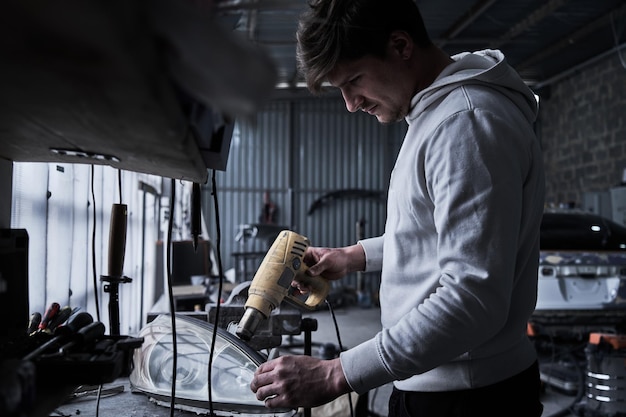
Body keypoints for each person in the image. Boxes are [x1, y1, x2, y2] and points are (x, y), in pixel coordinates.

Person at [250, 0, 546, 415]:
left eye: (354, 80)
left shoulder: (466, 123)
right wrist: (353, 257)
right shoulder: (435, 114)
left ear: (401, 46)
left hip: (467, 398)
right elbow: (434, 236)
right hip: (443, 384)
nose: (351, 104)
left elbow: (472, 299)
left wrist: (336, 373)